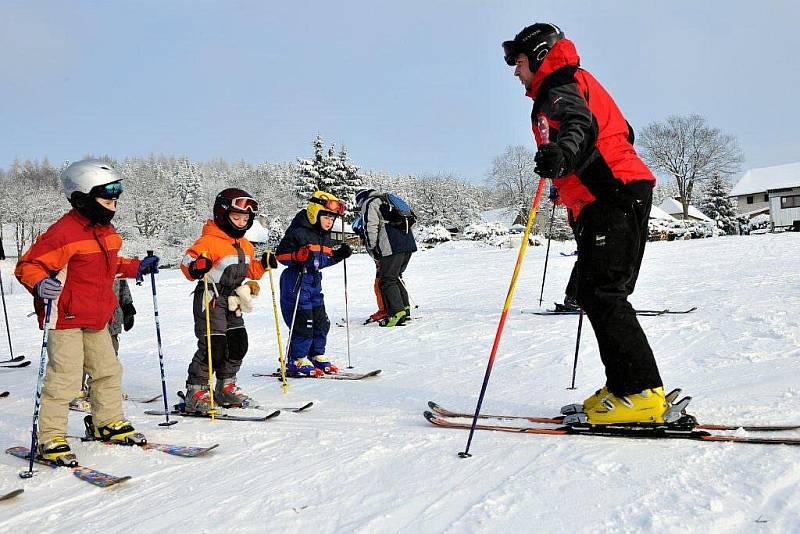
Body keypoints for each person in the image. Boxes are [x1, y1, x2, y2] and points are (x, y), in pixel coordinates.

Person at [503, 23, 668, 425]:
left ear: (540, 56)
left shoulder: (558, 85)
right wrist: (569, 175)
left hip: (613, 195)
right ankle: (625, 386)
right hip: (605, 196)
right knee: (596, 294)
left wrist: (562, 153)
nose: (514, 71)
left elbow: (580, 125)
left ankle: (641, 394)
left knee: (604, 294)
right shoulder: (569, 82)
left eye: (519, 61)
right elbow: (620, 130)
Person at [15, 159, 159, 465]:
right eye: (106, 199)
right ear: (81, 198)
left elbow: (109, 264)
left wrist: (135, 267)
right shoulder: (62, 233)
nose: (113, 205)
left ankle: (105, 422)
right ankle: (50, 437)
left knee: (108, 371)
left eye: (115, 199)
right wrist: (40, 283)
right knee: (64, 380)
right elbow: (29, 266)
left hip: (97, 316)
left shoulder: (106, 231)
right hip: (65, 318)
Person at [180, 188, 277, 414]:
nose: (242, 223)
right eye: (236, 217)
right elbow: (187, 264)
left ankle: (226, 386)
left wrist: (263, 265)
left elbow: (249, 269)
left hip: (234, 299)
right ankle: (196, 391)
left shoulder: (245, 244)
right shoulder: (209, 241)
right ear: (222, 215)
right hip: (210, 297)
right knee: (215, 346)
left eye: (246, 219)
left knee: (238, 343)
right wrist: (196, 267)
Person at [275, 191, 351, 376]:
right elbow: (280, 255)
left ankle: (316, 355)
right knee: (304, 323)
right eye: (325, 216)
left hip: (314, 283)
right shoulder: (298, 231)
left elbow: (321, 261)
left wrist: (338, 255)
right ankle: (297, 359)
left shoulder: (324, 236)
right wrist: (296, 256)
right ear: (314, 213)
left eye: (332, 219)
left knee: (321, 321)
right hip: (296, 283)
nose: (329, 222)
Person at [69, 278, 136, 411]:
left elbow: (121, 283)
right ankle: (74, 391)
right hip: (88, 314)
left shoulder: (114, 259)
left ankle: (99, 391)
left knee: (110, 354)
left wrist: (128, 306)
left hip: (112, 317)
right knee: (82, 354)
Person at [355, 189, 417, 327]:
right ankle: (404, 309)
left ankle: (396, 313)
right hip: (408, 243)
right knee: (396, 276)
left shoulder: (369, 203)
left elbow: (370, 226)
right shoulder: (388, 199)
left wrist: (372, 247)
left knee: (387, 279)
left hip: (391, 245)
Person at [352, 215, 387, 324]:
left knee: (379, 286)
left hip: (384, 263)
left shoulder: (372, 238)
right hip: (380, 264)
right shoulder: (369, 239)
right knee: (380, 285)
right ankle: (388, 308)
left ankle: (384, 310)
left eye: (360, 233)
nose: (360, 236)